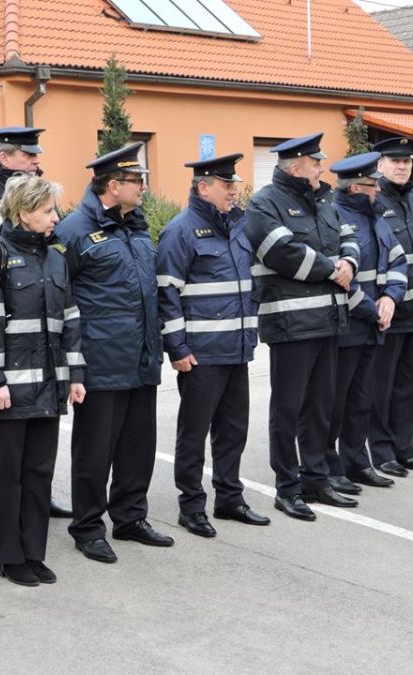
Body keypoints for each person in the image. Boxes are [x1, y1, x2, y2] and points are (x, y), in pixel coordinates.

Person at [0, 174, 86, 585]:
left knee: (39, 473)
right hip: (9, 392)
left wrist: (75, 375)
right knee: (7, 475)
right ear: (23, 212)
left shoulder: (54, 258)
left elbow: (70, 321)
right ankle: (8, 556)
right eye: (49, 210)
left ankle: (34, 552)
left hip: (49, 388)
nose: (56, 217)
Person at [55, 143, 172, 563]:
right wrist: (71, 363)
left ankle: (130, 518)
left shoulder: (136, 226)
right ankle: (88, 526)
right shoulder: (73, 230)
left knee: (138, 446)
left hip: (141, 356)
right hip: (100, 360)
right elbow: (59, 296)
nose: (143, 188)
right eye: (136, 181)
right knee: (94, 450)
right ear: (111, 185)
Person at [244, 131, 360, 521]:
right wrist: (334, 270)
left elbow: (348, 237)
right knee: (288, 410)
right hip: (291, 324)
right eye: (315, 161)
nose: (321, 166)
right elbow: (280, 252)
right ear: (296, 166)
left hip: (328, 320)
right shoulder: (264, 204)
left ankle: (316, 478)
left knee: (320, 406)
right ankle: (287, 487)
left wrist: (349, 265)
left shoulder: (324, 199)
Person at [157, 153, 269, 538]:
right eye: (226, 185)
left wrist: (248, 334)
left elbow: (251, 285)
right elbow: (167, 294)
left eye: (234, 185)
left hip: (236, 349)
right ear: (204, 188)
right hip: (201, 355)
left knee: (233, 429)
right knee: (194, 432)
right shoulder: (181, 230)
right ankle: (191, 506)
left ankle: (230, 499)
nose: (234, 192)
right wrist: (178, 348)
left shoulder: (237, 228)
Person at [0, 125, 72, 519]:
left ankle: (37, 503)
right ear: (4, 157)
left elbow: (51, 237)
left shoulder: (40, 197)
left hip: (39, 312)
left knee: (37, 460)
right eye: (28, 157)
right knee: (10, 462)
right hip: (10, 301)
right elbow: (1, 232)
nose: (36, 161)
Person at [326, 152, 407, 493]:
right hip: (347, 325)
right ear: (358, 187)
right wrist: (373, 309)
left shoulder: (376, 216)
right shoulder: (334, 216)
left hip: (373, 324)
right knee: (336, 402)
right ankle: (330, 467)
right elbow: (340, 278)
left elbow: (399, 259)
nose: (379, 191)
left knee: (361, 400)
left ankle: (357, 461)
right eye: (373, 186)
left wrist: (391, 297)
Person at [368, 137, 413, 477]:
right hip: (389, 314)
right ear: (380, 165)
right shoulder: (372, 201)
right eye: (394, 161)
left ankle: (404, 448)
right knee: (381, 389)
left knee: (410, 387)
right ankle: (381, 452)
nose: (402, 167)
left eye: (407, 162)